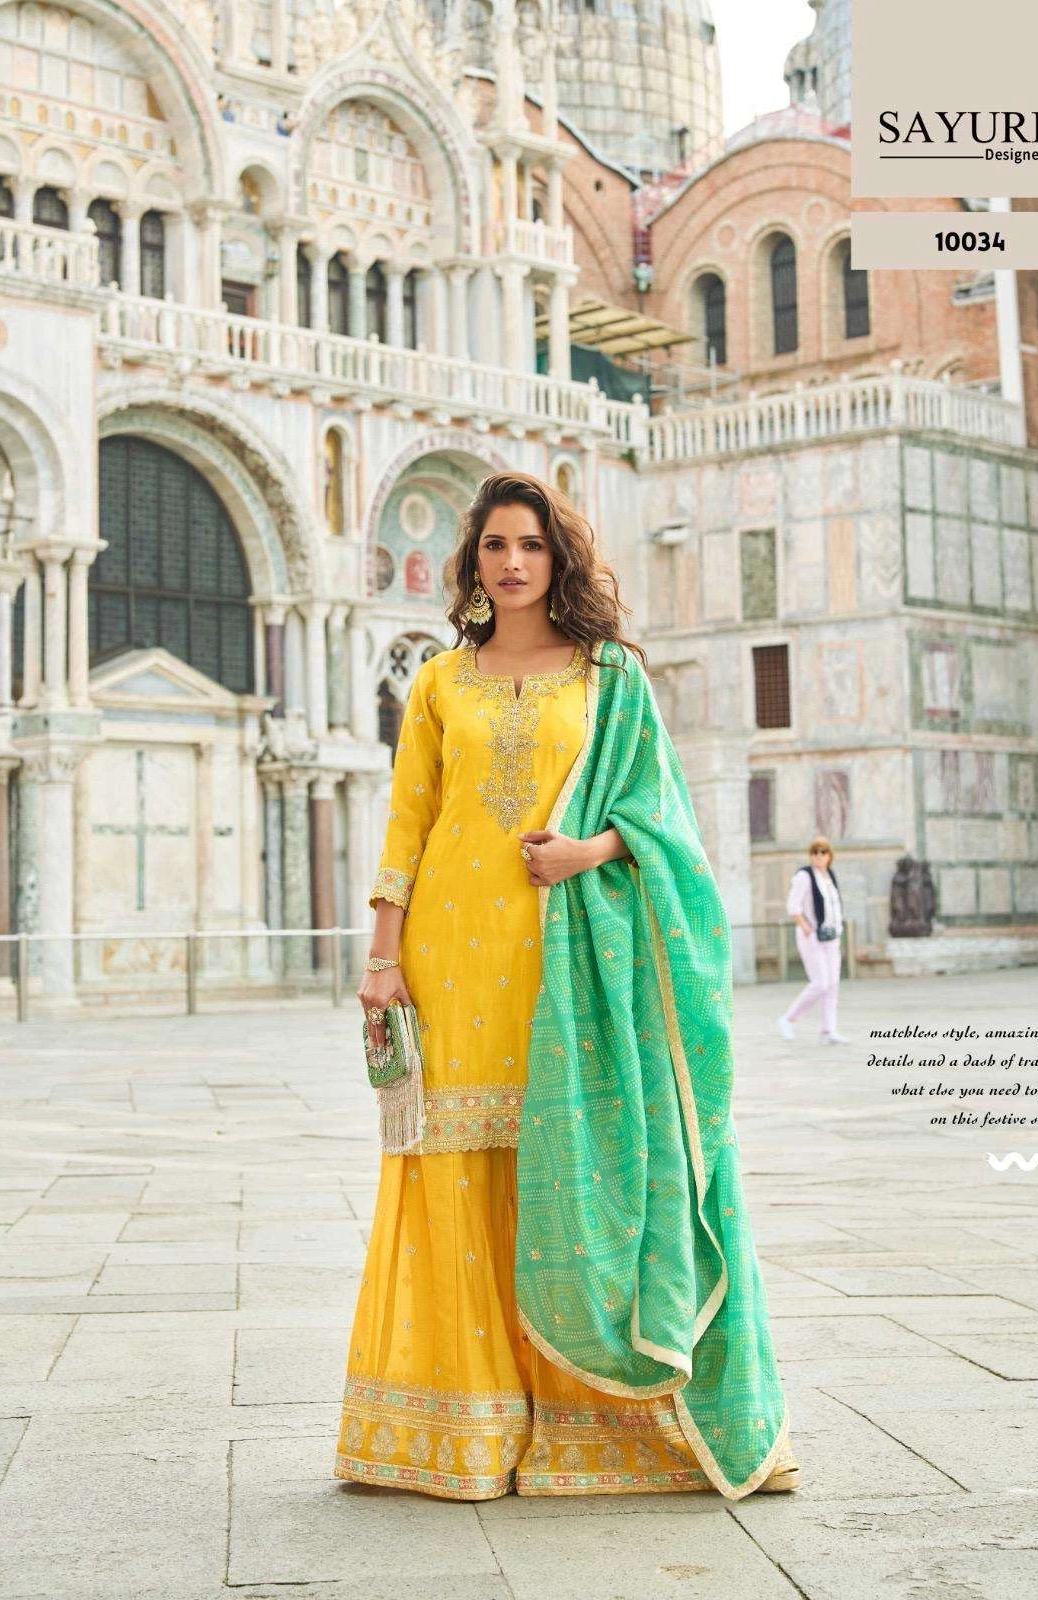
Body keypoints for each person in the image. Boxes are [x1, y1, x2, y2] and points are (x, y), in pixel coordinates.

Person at [337, 470, 796, 1501]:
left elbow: (663, 817)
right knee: (459, 1169)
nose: (512, 563)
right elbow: (409, 823)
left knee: (569, 1163)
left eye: (531, 545)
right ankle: (467, 1428)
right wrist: (382, 956)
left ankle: (589, 1426)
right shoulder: (439, 683)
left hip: (568, 956)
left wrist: (589, 851)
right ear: (472, 561)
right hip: (450, 960)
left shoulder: (609, 677)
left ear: (560, 558)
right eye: (495, 545)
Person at [777, 837, 849, 1045]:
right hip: (812, 938)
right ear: (810, 855)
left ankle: (828, 1031)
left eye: (823, 852)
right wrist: (806, 927)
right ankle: (788, 1019)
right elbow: (793, 906)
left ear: (829, 855)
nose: (819, 856)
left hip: (831, 937)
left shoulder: (829, 876)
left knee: (832, 984)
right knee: (820, 983)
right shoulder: (804, 876)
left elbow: (834, 907)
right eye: (815, 852)